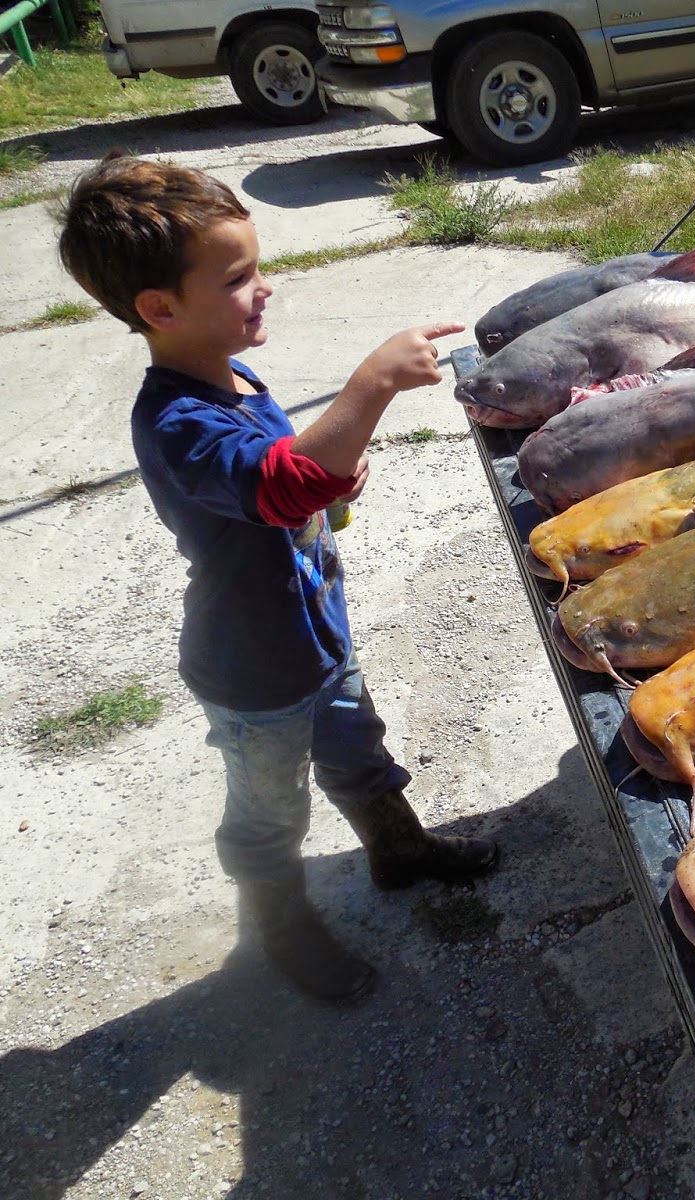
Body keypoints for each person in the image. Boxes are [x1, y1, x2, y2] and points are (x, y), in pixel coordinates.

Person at [56, 153, 499, 1003]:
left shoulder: (231, 374)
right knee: (268, 815)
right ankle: (282, 925)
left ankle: (397, 849)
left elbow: (290, 478)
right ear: (160, 308)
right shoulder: (177, 423)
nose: (265, 288)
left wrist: (332, 487)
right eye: (238, 277)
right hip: (253, 671)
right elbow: (281, 480)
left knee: (355, 749)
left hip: (314, 638)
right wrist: (368, 387)